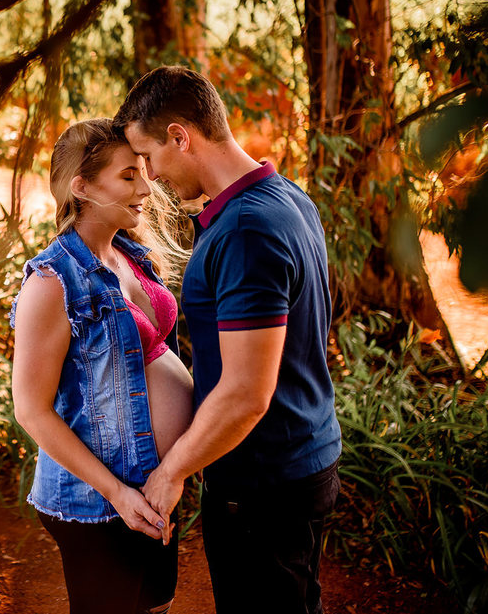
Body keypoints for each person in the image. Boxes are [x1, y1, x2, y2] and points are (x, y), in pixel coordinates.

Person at [113, 66, 342, 614]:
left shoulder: (245, 231)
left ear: (180, 137)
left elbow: (245, 393)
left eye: (148, 157)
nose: (149, 177)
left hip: (263, 483)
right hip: (299, 461)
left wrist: (171, 474)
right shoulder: (286, 198)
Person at [11, 118, 195, 614]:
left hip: (153, 484)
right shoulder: (52, 283)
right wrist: (117, 493)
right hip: (100, 501)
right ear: (83, 187)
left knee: (156, 605)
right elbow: (30, 410)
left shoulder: (131, 255)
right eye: (128, 176)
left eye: (143, 171)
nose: (145, 187)